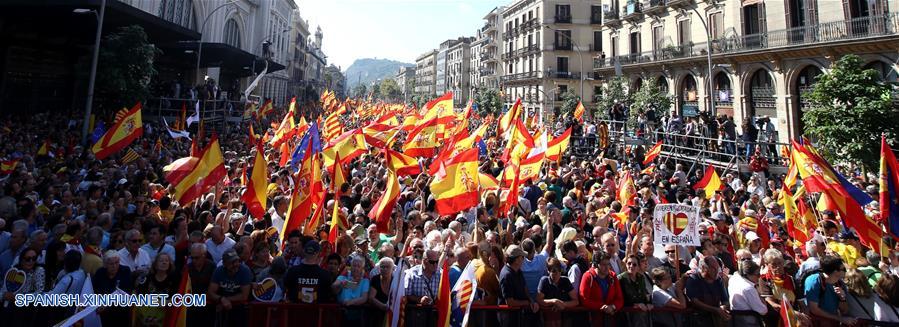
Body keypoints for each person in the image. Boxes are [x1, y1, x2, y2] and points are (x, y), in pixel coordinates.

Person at [804, 255, 854, 327]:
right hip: (818, 323)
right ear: (835, 271)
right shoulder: (814, 281)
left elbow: (844, 310)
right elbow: (814, 309)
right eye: (843, 269)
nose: (846, 271)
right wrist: (840, 319)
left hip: (833, 323)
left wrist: (842, 298)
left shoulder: (840, 283)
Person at [1, 248, 44, 327]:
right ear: (22, 259)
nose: (31, 261)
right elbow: (4, 289)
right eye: (28, 259)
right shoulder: (15, 270)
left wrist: (19, 298)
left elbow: (40, 293)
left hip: (26, 310)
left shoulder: (38, 270)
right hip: (9, 307)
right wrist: (3, 295)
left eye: (34, 258)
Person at [208, 249, 252, 327]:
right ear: (224, 264)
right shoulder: (219, 271)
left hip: (239, 309)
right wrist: (221, 299)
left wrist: (226, 300)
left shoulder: (245, 271)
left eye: (237, 261)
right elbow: (211, 292)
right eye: (232, 262)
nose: (235, 264)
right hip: (221, 310)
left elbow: (244, 296)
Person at [580, 251, 623, 327]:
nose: (607, 267)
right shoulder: (588, 276)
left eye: (608, 264)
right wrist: (601, 306)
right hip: (593, 320)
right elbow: (584, 299)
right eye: (603, 264)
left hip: (610, 320)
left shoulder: (612, 276)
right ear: (596, 265)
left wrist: (612, 307)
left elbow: (620, 299)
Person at [499, 245, 538, 327]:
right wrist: (527, 303)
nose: (524, 259)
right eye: (522, 257)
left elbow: (524, 287)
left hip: (518, 317)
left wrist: (531, 300)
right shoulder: (507, 276)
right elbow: (510, 302)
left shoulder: (518, 271)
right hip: (509, 320)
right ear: (516, 260)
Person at [133, 253, 177, 326]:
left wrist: (164, 303)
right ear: (155, 264)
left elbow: (175, 298)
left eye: (166, 261)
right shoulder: (147, 278)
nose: (164, 262)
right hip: (147, 313)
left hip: (165, 313)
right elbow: (140, 295)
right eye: (161, 260)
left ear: (170, 264)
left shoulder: (174, 279)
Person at [685, 255, 730, 327]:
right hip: (698, 319)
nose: (716, 271)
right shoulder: (693, 279)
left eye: (717, 268)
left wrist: (723, 307)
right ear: (703, 268)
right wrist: (715, 310)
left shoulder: (718, 280)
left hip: (715, 319)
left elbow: (725, 300)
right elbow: (695, 301)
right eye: (713, 268)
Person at [284, 239, 333, 304]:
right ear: (318, 253)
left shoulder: (292, 271)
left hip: (296, 312)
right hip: (316, 313)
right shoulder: (325, 275)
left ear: (304, 251)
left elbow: (286, 290)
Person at [93, 250, 133, 326]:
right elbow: (96, 291)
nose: (114, 266)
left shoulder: (125, 271)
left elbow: (126, 291)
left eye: (116, 262)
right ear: (105, 264)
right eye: (111, 264)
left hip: (121, 313)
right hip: (104, 314)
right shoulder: (100, 273)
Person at [536, 257, 579, 327]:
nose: (557, 273)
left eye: (559, 270)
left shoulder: (565, 281)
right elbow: (539, 299)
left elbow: (576, 301)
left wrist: (562, 304)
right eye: (554, 271)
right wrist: (554, 301)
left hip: (565, 318)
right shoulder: (544, 281)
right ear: (548, 271)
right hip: (549, 319)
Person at [332, 254, 370, 325]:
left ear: (362, 268)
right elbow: (334, 287)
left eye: (358, 266)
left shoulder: (365, 278)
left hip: (356, 313)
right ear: (351, 266)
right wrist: (340, 285)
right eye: (354, 265)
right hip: (341, 312)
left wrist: (350, 302)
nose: (356, 268)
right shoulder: (345, 274)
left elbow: (364, 298)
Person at [727, 259, 767, 326]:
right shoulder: (748, 288)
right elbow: (763, 311)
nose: (759, 277)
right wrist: (761, 297)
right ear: (748, 275)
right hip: (749, 323)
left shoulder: (734, 278)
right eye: (757, 275)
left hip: (736, 321)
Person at [618, 254, 652, 327]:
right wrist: (634, 305)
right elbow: (620, 298)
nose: (631, 266)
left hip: (640, 316)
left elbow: (644, 294)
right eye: (629, 263)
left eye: (634, 264)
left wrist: (648, 303)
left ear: (638, 266)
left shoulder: (641, 278)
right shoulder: (621, 279)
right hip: (626, 316)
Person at [369, 257, 395, 325]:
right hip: (376, 315)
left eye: (388, 267)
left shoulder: (395, 281)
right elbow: (371, 298)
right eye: (382, 267)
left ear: (393, 269)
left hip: (391, 315)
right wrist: (383, 306)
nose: (385, 269)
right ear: (379, 268)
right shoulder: (375, 279)